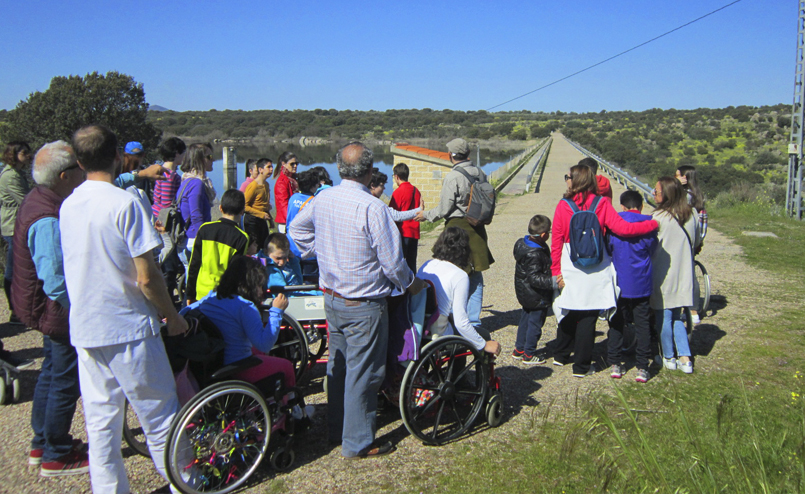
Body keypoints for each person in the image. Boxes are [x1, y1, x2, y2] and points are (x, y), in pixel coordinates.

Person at [60, 125, 188, 493]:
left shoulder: (69, 204)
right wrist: (173, 316)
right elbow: (147, 277)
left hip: (87, 325)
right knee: (159, 416)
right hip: (128, 325)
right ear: (117, 155)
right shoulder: (124, 203)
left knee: (101, 423)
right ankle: (187, 483)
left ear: (79, 161)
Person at [289, 141, 425, 458]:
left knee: (339, 368)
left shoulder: (323, 198)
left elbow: (295, 229)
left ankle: (338, 430)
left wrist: (317, 250)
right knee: (365, 373)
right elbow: (393, 264)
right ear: (368, 171)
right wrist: (411, 284)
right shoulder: (373, 208)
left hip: (332, 299)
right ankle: (358, 442)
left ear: (340, 169)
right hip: (364, 304)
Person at [11, 141, 87, 475]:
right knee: (65, 380)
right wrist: (79, 311)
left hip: (41, 309)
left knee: (50, 373)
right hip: (55, 310)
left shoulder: (38, 199)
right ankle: (56, 453)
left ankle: (41, 442)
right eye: (77, 169)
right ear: (63, 175)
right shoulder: (48, 216)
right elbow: (55, 279)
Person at [551, 164, 657, 377]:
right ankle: (581, 366)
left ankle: (561, 354)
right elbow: (624, 229)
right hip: (596, 263)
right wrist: (652, 225)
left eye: (568, 176)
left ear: (575, 180)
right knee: (589, 312)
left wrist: (556, 271)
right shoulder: (602, 203)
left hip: (571, 262)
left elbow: (557, 240)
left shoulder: (563, 205)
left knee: (570, 307)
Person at [415, 138, 494, 330]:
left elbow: (444, 208)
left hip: (457, 229)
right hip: (477, 227)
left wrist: (425, 215)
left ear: (451, 155)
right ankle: (473, 322)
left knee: (453, 274)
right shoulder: (480, 172)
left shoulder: (453, 177)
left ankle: (451, 319)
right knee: (475, 275)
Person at [182, 256, 296, 388]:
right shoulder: (245, 307)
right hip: (238, 366)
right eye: (260, 285)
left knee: (257, 351)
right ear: (251, 285)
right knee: (286, 366)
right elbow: (265, 344)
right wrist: (276, 312)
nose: (262, 291)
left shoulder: (211, 297)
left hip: (212, 361)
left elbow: (186, 310)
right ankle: (289, 404)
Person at [417, 227, 501, 355]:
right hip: (439, 333)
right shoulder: (459, 275)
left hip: (421, 326)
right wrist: (483, 344)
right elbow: (461, 323)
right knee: (482, 334)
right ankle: (467, 373)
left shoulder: (427, 264)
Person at [606, 191, 658, 383]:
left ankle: (615, 363)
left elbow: (609, 247)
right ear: (641, 205)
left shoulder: (614, 223)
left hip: (618, 281)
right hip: (641, 281)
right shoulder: (648, 224)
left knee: (616, 322)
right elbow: (653, 250)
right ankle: (643, 366)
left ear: (622, 206)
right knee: (642, 324)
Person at [650, 177, 700, 374]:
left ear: (667, 195)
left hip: (663, 273)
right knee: (678, 316)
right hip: (684, 272)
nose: (654, 194)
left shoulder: (659, 218)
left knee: (664, 316)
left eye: (657, 191)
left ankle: (668, 356)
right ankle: (685, 358)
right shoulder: (691, 214)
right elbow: (695, 242)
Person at [186, 189, 250, 304]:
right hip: (224, 295)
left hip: (201, 292)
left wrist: (190, 294)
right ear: (242, 211)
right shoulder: (242, 237)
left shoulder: (205, 228)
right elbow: (235, 272)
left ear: (221, 208)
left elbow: (194, 264)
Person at [511, 215, 553, 365]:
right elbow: (535, 278)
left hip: (525, 292)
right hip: (536, 295)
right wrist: (553, 282)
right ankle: (529, 353)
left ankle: (519, 349)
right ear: (543, 235)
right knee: (535, 324)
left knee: (525, 320)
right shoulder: (535, 253)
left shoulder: (522, 244)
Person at [1, 141, 32, 324]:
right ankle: (14, 310)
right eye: (24, 152)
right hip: (12, 225)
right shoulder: (10, 176)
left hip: (16, 224)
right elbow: (25, 199)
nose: (28, 155)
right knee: (13, 270)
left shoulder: (17, 174)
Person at [151, 137, 186, 300]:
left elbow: (157, 199)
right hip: (166, 222)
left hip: (155, 216)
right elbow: (166, 203)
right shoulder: (171, 176)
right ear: (177, 153)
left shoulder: (159, 170)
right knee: (169, 264)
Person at [178, 143, 216, 266]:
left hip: (190, 238)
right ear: (200, 159)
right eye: (209, 156)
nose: (213, 159)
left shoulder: (187, 180)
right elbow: (196, 214)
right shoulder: (196, 184)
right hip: (194, 240)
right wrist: (204, 240)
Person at [389, 164, 422, 274]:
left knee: (401, 263)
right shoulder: (415, 190)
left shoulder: (397, 192)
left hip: (402, 232)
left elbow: (392, 215)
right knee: (412, 262)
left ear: (397, 177)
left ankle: (403, 288)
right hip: (414, 231)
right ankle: (414, 286)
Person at [243, 159, 273, 252]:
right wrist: (260, 214)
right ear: (260, 170)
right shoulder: (253, 186)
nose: (271, 169)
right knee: (254, 247)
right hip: (252, 220)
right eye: (268, 167)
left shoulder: (266, 185)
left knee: (265, 246)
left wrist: (270, 220)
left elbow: (264, 205)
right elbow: (244, 206)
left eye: (272, 167)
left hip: (262, 219)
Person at [273, 151, 299, 233]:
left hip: (293, 220)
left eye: (296, 163)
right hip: (286, 222)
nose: (295, 166)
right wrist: (292, 221)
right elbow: (283, 204)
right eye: (292, 164)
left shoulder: (292, 179)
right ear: (283, 164)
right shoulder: (282, 181)